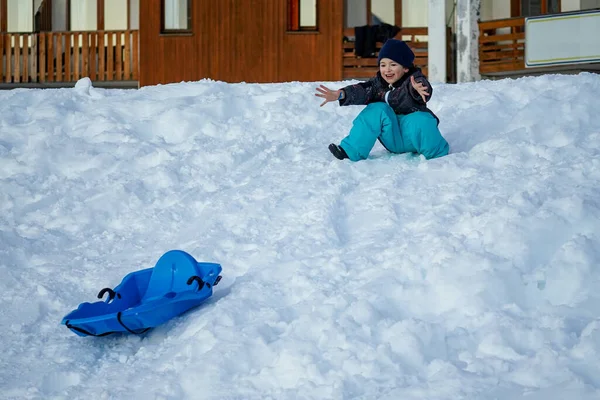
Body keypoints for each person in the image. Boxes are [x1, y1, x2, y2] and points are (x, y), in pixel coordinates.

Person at [315, 39, 449, 161]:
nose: (387, 69)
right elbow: (362, 90)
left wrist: (419, 89)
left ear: (406, 68)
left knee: (421, 119)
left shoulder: (413, 81)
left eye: (393, 64)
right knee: (376, 109)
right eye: (383, 65)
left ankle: (437, 154)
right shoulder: (378, 84)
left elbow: (421, 85)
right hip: (392, 136)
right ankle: (351, 151)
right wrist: (341, 94)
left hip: (413, 133)